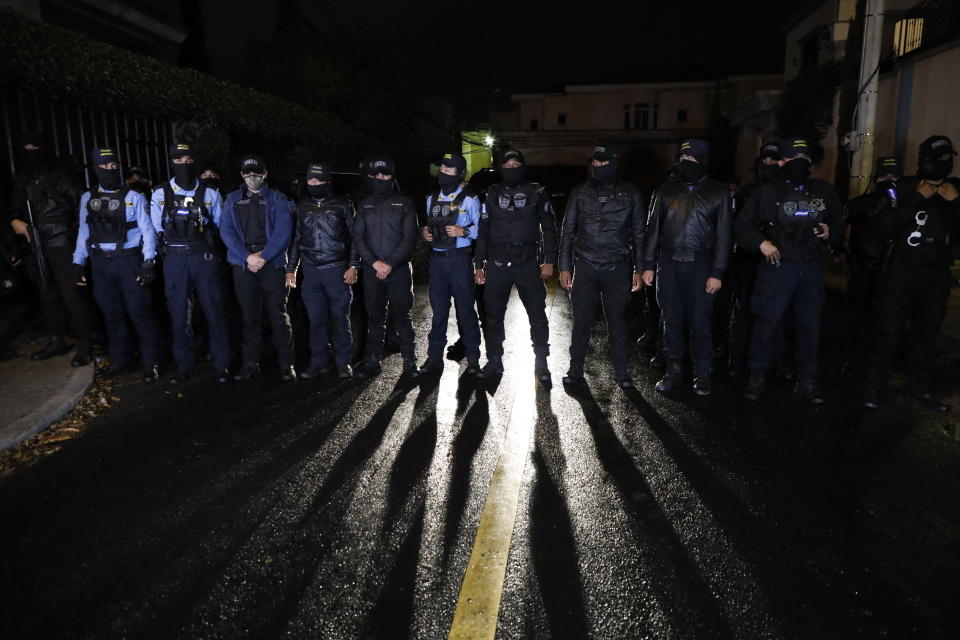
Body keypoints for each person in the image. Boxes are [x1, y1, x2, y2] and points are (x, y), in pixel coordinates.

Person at [735, 137, 845, 403]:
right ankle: (757, 378)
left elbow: (839, 222)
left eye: (805, 159)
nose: (800, 163)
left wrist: (830, 231)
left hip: (809, 268)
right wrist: (761, 243)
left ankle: (806, 381)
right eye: (792, 159)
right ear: (781, 162)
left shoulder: (822, 191)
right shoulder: (766, 193)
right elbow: (742, 227)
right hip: (777, 269)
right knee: (766, 324)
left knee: (809, 327)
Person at [862, 137, 960, 412]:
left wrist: (955, 201)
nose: (945, 163)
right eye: (939, 158)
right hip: (902, 272)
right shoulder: (901, 188)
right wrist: (918, 197)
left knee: (926, 335)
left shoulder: (955, 189)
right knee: (888, 332)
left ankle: (919, 390)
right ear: (925, 159)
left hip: (936, 274)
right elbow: (884, 225)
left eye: (948, 158)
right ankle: (873, 387)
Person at [641, 138, 732, 396]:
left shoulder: (719, 193)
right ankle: (673, 371)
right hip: (668, 263)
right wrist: (648, 265)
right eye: (683, 159)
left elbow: (725, 237)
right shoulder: (665, 191)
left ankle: (702, 375)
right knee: (671, 320)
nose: (686, 164)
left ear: (703, 161)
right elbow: (652, 231)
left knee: (700, 322)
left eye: (692, 159)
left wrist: (717, 273)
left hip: (701, 266)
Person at [558, 144, 646, 388]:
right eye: (594, 163)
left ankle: (621, 372)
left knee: (617, 322)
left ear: (613, 164)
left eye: (602, 163)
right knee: (581, 321)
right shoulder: (580, 192)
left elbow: (639, 234)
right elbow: (567, 231)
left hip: (617, 267)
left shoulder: (630, 194)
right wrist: (565, 266)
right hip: (585, 266)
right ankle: (575, 370)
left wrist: (639, 269)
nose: (596, 167)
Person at [72, 147, 161, 382]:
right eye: (105, 166)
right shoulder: (87, 198)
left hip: (128, 261)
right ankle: (120, 360)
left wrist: (149, 260)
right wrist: (77, 262)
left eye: (114, 166)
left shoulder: (133, 196)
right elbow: (84, 231)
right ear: (96, 168)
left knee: (140, 312)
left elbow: (148, 231)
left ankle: (151, 362)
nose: (110, 170)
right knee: (112, 315)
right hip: (101, 263)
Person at [8, 130, 96, 366]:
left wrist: (81, 249)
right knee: (47, 296)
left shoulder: (63, 176)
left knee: (72, 295)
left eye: (34, 149)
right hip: (35, 244)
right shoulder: (24, 178)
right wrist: (15, 221)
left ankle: (86, 343)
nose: (30, 154)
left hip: (62, 243)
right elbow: (14, 208)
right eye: (25, 149)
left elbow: (82, 212)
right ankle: (57, 339)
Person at [150, 142, 230, 384]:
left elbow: (219, 227)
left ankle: (222, 365)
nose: (183, 164)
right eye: (178, 160)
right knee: (178, 315)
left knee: (214, 311)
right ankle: (184, 366)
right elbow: (155, 229)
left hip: (203, 257)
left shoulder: (210, 194)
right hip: (175, 258)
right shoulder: (160, 194)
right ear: (171, 162)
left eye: (187, 160)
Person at [474, 148, 557, 382]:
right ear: (500, 168)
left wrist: (549, 261)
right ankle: (494, 360)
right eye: (507, 165)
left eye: (515, 165)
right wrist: (479, 265)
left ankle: (541, 362)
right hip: (497, 262)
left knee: (537, 314)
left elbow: (550, 228)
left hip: (528, 261)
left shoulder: (536, 192)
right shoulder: (491, 193)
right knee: (493, 315)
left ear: (523, 166)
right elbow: (483, 231)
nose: (511, 169)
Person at [221, 154, 296, 381]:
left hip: (271, 264)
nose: (252, 177)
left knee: (278, 315)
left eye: (257, 173)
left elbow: (284, 232)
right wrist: (247, 258)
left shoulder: (278, 199)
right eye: (247, 173)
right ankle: (250, 364)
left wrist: (263, 257)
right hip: (244, 265)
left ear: (265, 174)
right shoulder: (232, 199)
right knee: (249, 317)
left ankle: (287, 365)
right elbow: (227, 231)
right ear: (242, 175)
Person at [286, 162, 358, 379]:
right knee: (315, 319)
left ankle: (343, 362)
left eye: (319, 180)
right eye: (311, 180)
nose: (314, 183)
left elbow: (356, 237)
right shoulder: (302, 206)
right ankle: (319, 362)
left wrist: (354, 265)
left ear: (328, 181)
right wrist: (291, 269)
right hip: (311, 272)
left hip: (337, 270)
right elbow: (297, 239)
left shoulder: (343, 204)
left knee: (339, 317)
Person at [351, 156, 420, 378]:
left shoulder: (405, 203)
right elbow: (358, 237)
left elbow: (409, 237)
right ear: (371, 177)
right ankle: (372, 361)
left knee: (403, 315)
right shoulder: (365, 205)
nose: (381, 178)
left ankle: (410, 362)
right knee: (375, 317)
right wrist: (374, 263)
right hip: (373, 271)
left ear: (392, 176)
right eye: (376, 175)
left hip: (398, 270)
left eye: (385, 174)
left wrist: (389, 263)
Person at [420, 152, 482, 375]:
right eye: (442, 169)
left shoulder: (470, 199)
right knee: (438, 312)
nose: (444, 172)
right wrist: (424, 231)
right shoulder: (431, 198)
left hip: (459, 261)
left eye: (449, 170)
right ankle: (434, 358)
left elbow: (483, 230)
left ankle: (473, 360)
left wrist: (463, 230)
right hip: (437, 262)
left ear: (460, 173)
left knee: (465, 311)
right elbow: (428, 225)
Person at [726, 141, 782, 378]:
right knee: (742, 310)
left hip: (775, 261)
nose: (767, 165)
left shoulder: (785, 191)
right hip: (748, 260)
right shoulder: (747, 192)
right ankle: (735, 359)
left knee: (774, 313)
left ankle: (773, 361)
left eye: (773, 161)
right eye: (764, 161)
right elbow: (736, 225)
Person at [843, 156, 900, 376]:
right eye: (886, 176)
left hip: (891, 270)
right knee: (858, 316)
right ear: (877, 178)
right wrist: (839, 252)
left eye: (894, 176)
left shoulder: (903, 203)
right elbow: (840, 219)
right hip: (864, 268)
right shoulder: (862, 203)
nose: (890, 180)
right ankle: (854, 359)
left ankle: (879, 361)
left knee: (885, 317)